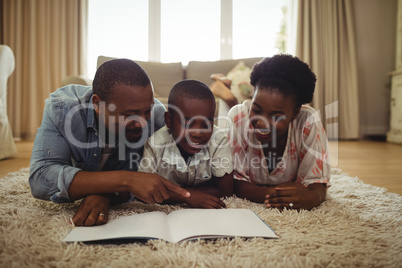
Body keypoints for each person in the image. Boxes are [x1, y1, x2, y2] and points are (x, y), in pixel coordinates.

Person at [29, 59, 190, 226]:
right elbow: (41, 178)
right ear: (98, 104)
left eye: (147, 110)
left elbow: (162, 180)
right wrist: (128, 180)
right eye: (130, 114)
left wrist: (105, 193)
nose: (142, 123)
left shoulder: (157, 119)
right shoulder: (63, 108)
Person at [224, 54, 331, 211]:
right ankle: (222, 87)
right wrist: (277, 194)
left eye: (276, 117)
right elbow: (233, 182)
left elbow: (317, 184)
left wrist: (314, 197)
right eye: (256, 110)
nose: (262, 122)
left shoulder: (308, 120)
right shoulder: (239, 117)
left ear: (295, 113)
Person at [139, 79, 234, 209]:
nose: (197, 133)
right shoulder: (155, 144)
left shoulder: (218, 140)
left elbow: (226, 191)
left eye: (206, 124)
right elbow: (146, 192)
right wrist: (187, 196)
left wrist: (169, 192)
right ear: (169, 120)